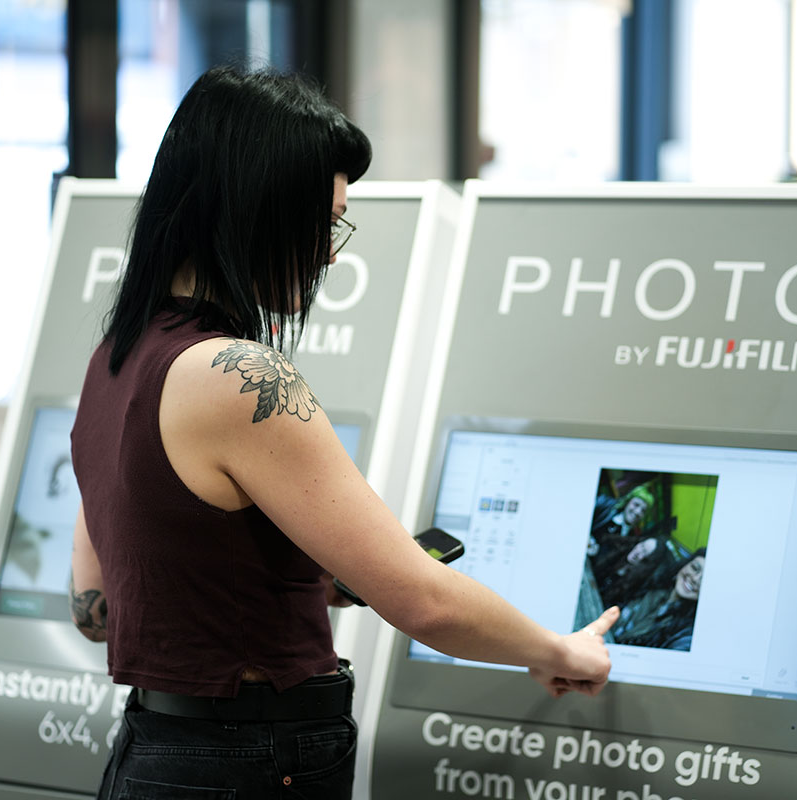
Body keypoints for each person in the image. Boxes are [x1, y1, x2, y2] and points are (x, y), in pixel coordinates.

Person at [67, 66, 619, 800]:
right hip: (251, 764)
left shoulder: (116, 357)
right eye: (321, 223)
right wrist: (559, 649)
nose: (330, 252)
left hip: (154, 753)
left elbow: (98, 608)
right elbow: (427, 601)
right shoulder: (239, 378)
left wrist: (280, 581)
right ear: (257, 207)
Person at [611, 549, 706, 651]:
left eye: (704, 580)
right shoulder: (654, 581)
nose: (695, 579)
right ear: (686, 564)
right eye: (695, 568)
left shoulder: (684, 630)